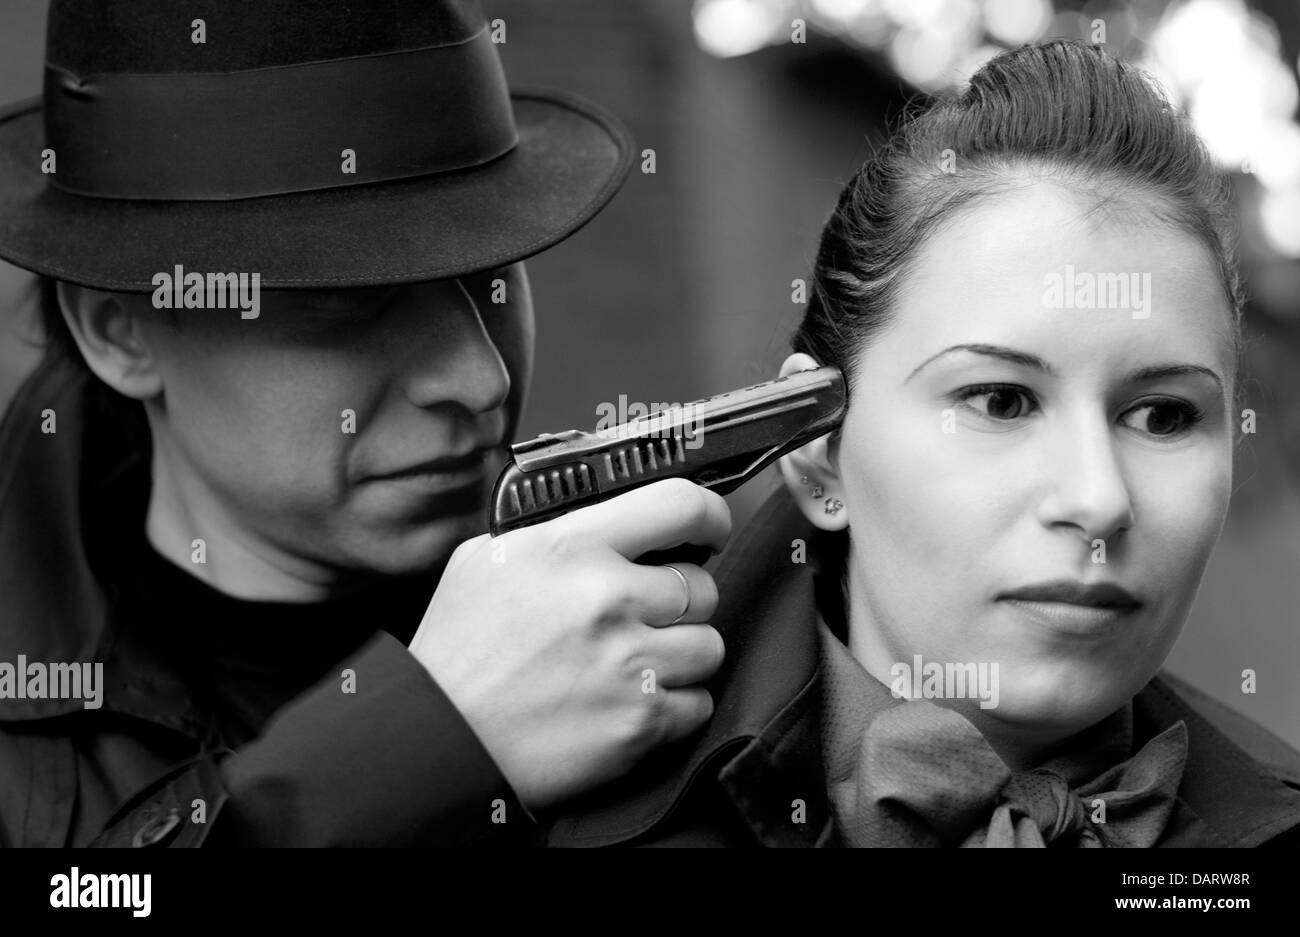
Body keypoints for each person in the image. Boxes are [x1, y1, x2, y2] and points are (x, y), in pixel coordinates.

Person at [0, 0, 731, 847]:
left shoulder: (672, 612)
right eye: (351, 300)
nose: (480, 378)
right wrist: (424, 748)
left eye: (493, 273)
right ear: (119, 329)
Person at [539, 39, 1300, 848]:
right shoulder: (527, 804)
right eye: (1001, 400)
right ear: (818, 452)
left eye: (1163, 416)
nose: (1098, 499)